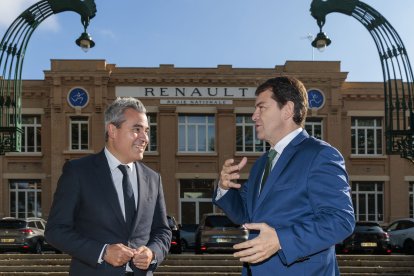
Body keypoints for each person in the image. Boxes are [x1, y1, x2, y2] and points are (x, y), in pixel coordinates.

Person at [213, 76, 355, 276]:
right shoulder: (261, 163)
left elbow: (340, 220)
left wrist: (281, 240)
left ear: (287, 110)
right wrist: (224, 188)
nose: (254, 116)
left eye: (262, 108)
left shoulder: (320, 155)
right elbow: (246, 215)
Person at [45, 97, 171, 276]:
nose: (145, 138)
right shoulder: (78, 172)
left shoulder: (153, 178)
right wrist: (102, 252)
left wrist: (152, 253)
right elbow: (55, 230)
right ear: (112, 130)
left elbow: (162, 231)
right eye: (136, 130)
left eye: (147, 131)